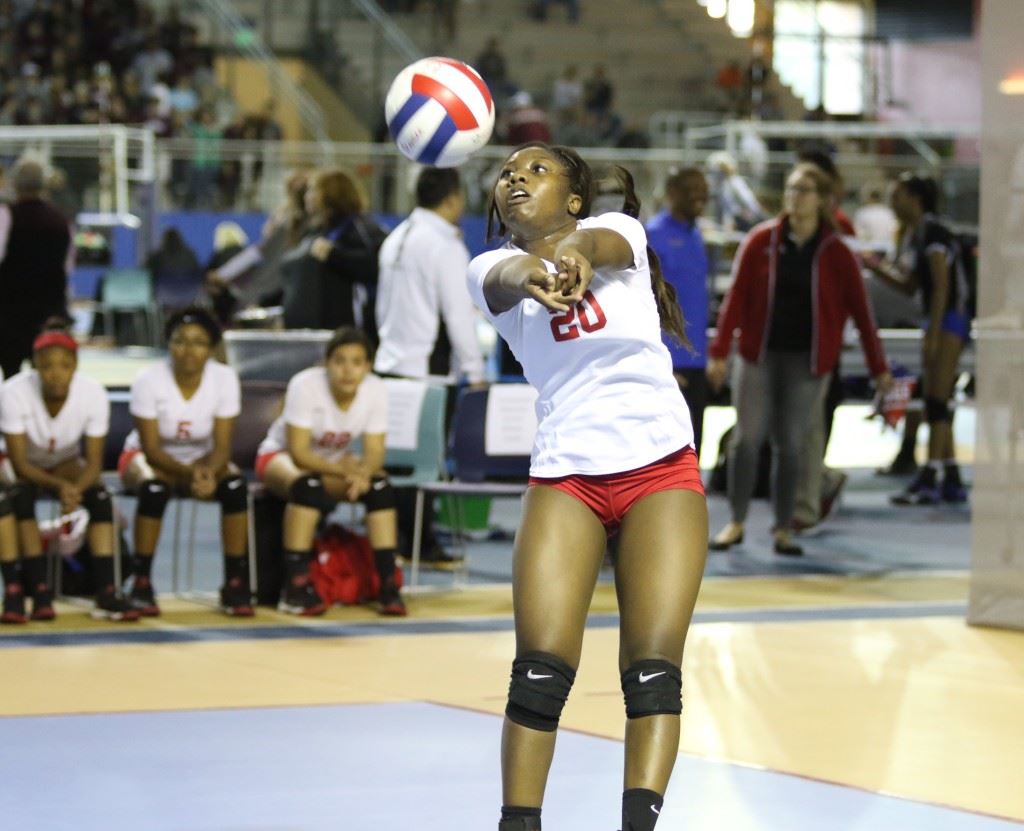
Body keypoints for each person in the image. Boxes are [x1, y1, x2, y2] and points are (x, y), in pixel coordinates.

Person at [467, 143, 707, 831]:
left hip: (659, 467)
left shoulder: (622, 235)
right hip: (567, 474)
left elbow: (596, 243)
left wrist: (573, 255)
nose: (515, 178)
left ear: (574, 197)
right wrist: (533, 269)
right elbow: (508, 273)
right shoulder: (487, 268)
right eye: (506, 173)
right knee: (539, 672)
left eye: (535, 170)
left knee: (653, 672)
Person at [707, 163, 892, 556]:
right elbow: (735, 300)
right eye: (791, 189)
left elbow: (862, 314)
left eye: (804, 190)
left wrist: (880, 369)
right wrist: (721, 352)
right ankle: (736, 521)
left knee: (791, 444)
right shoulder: (760, 241)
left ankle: (783, 527)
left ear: (822, 199)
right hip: (759, 355)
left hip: (807, 362)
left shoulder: (837, 252)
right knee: (747, 440)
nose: (795, 197)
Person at [374, 167, 485, 568]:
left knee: (398, 461)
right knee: (427, 461)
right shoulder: (444, 246)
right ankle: (421, 545)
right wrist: (474, 367)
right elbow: (458, 313)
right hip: (427, 369)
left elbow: (379, 307)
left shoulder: (395, 238)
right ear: (452, 198)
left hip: (390, 363)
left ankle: (402, 542)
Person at [255, 327, 406, 617]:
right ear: (326, 364)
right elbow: (299, 452)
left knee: (379, 488)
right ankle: (295, 587)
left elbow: (375, 450)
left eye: (356, 362)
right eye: (339, 361)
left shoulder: (376, 389)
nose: (347, 370)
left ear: (368, 366)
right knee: (307, 486)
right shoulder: (305, 385)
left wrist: (364, 473)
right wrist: (344, 470)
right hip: (282, 457)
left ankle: (388, 584)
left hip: (334, 466)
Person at [0, 320, 139, 623]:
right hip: (23, 464)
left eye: (64, 365)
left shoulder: (93, 394)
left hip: (66, 462)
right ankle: (31, 590)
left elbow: (93, 462)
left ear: (75, 365)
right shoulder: (13, 392)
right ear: (34, 365)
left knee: (100, 497)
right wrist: (60, 487)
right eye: (47, 365)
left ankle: (106, 589)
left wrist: (75, 489)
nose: (55, 373)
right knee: (19, 497)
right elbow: (21, 463)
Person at [119, 307, 252, 617]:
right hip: (151, 458)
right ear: (169, 344)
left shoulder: (225, 379)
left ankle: (235, 581)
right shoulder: (148, 379)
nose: (188, 350)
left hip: (204, 459)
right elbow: (151, 449)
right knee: (153, 489)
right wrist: (191, 475)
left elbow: (222, 445)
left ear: (211, 348)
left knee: (234, 486)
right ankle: (141, 581)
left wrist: (208, 472)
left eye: (198, 342)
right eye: (180, 341)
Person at [864, 173, 970, 504]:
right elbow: (911, 286)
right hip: (939, 319)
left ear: (914, 198)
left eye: (897, 196)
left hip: (951, 318)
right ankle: (950, 476)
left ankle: (929, 477)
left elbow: (941, 286)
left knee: (937, 401)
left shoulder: (935, 233)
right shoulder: (918, 234)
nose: (893, 204)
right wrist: (874, 268)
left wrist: (934, 334)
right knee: (938, 399)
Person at [645, 167, 711, 456]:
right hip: (667, 362)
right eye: (690, 189)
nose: (699, 195)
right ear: (672, 193)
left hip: (697, 361)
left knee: (693, 447)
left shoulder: (697, 236)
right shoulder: (653, 235)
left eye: (703, 189)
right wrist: (662, 359)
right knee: (662, 452)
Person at [278, 168, 388, 337]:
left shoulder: (361, 228)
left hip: (354, 334)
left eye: (313, 189)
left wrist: (335, 255)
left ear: (331, 193)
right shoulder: (317, 231)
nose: (307, 196)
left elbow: (379, 266)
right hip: (317, 333)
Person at [0, 158, 73, 379]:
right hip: (48, 316)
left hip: (10, 315)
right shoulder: (62, 221)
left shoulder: (5, 215)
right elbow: (67, 269)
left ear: (15, 184)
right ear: (44, 185)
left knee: (10, 379)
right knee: (43, 379)